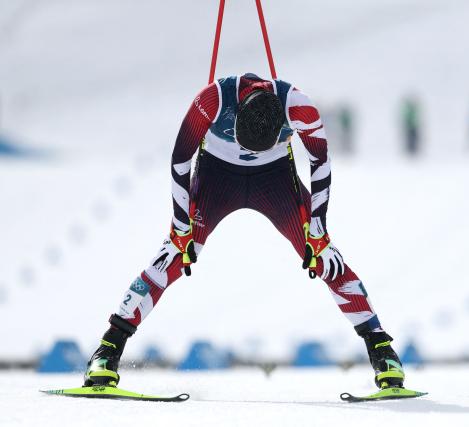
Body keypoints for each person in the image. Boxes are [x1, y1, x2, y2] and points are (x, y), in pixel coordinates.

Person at [83, 73, 405, 391]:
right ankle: (107, 351)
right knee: (174, 256)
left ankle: (382, 353)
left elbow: (320, 162)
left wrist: (319, 230)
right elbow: (181, 160)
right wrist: (181, 226)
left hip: (275, 177)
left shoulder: (298, 105)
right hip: (217, 176)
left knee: (322, 256)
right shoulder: (213, 99)